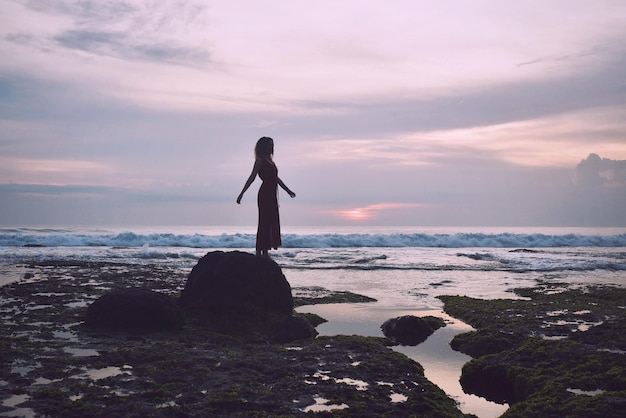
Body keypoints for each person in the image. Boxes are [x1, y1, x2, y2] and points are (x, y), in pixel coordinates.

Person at [237, 137, 296, 257]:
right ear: (263, 146)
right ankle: (260, 251)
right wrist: (242, 193)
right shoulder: (260, 160)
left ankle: (266, 250)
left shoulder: (271, 161)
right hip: (265, 194)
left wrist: (288, 190)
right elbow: (252, 177)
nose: (272, 147)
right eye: (269, 145)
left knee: (271, 221)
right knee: (264, 222)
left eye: (272, 145)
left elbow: (276, 178)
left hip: (272, 194)